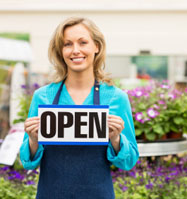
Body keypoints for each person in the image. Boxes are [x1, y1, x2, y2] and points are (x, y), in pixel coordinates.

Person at [19, 17, 139, 199]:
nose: (76, 50)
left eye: (83, 42)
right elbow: (27, 163)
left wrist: (115, 139)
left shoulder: (116, 97)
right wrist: (33, 140)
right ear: (60, 50)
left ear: (96, 46)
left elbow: (129, 161)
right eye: (67, 44)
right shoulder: (43, 96)